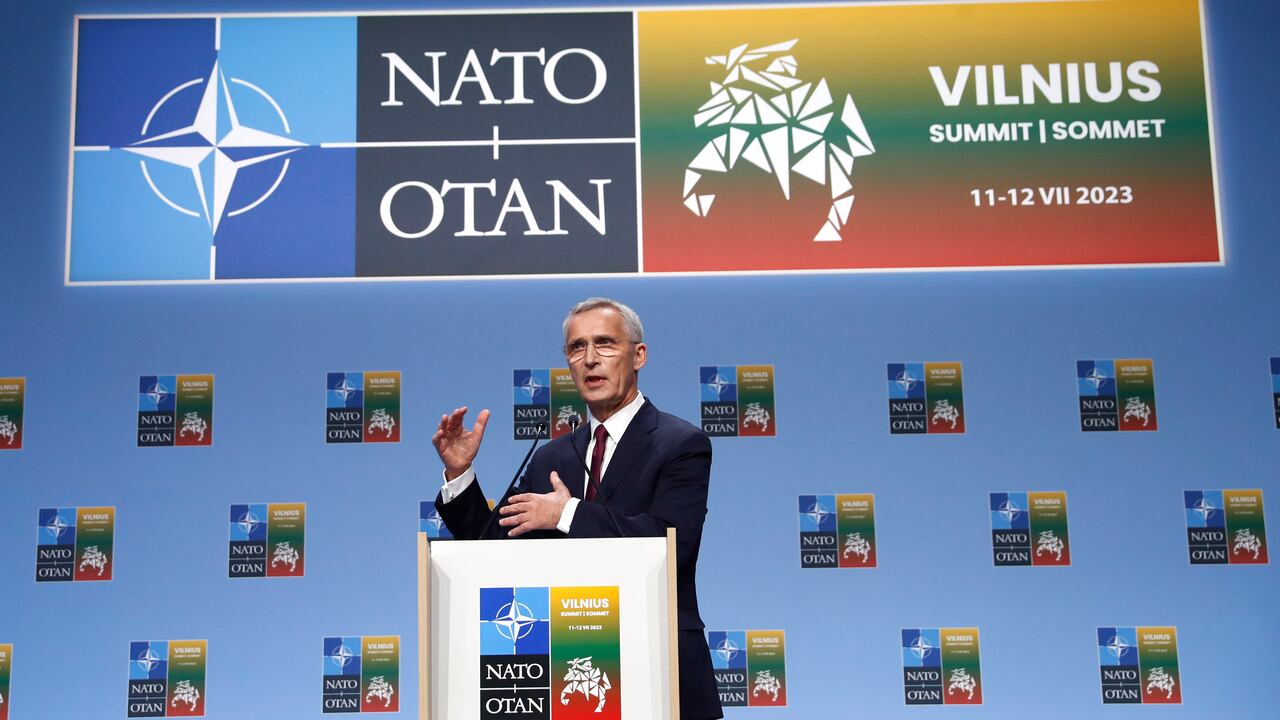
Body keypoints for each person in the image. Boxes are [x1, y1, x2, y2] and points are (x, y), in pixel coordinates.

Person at [432, 297, 723, 720]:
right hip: (564, 666)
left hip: (659, 664)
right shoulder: (552, 456)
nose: (590, 359)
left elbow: (669, 544)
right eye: (576, 347)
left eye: (605, 343)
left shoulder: (680, 444)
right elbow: (493, 548)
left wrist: (565, 515)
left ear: (638, 355)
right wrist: (460, 475)